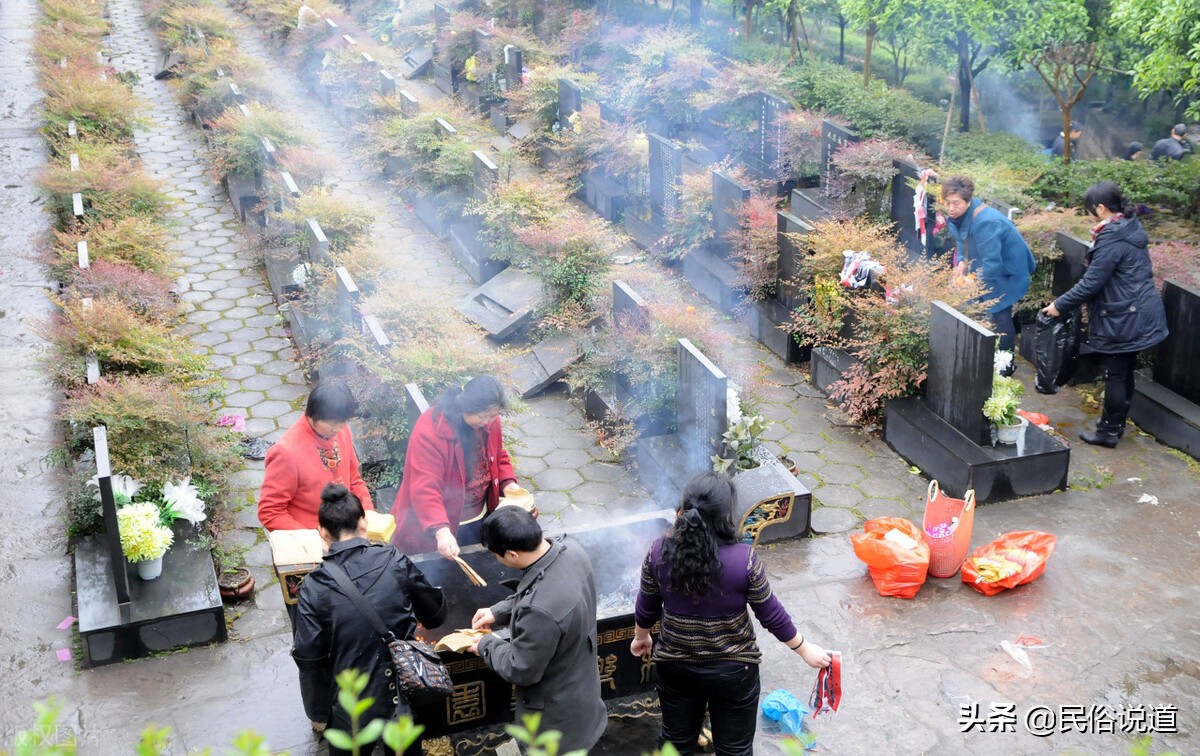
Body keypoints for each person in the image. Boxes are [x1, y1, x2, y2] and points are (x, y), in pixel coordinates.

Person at [630, 472, 831, 756]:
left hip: (676, 667)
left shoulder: (659, 551)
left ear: (683, 509)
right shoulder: (743, 560)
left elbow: (647, 603)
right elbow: (770, 612)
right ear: (726, 515)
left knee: (676, 745)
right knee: (734, 750)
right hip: (734, 672)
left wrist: (642, 637)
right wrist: (805, 649)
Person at [291, 483, 447, 756]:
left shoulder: (314, 586)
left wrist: (317, 712)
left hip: (350, 706)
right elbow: (435, 616)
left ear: (323, 533)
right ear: (364, 523)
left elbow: (308, 656)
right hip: (402, 694)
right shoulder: (394, 559)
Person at [467, 507, 607, 752]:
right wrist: (498, 611)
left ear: (511, 554)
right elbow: (543, 588)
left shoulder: (539, 611)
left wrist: (485, 644)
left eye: (495, 554)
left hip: (555, 719)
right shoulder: (571, 549)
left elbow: (520, 668)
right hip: (583, 687)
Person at [1041, 182, 1168, 447]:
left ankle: (1108, 432)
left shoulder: (1113, 237)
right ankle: (1114, 427)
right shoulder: (1129, 226)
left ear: (1100, 208)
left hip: (1125, 316)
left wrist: (1059, 305)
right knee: (1124, 371)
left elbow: (1091, 283)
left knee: (1118, 374)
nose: (1088, 215)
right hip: (1138, 310)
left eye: (1090, 210)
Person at [391, 376, 521, 558]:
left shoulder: (490, 422)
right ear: (465, 406)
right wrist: (441, 530)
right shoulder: (431, 430)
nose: (488, 422)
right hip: (439, 522)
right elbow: (425, 488)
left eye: (493, 416)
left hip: (479, 515)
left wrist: (508, 483)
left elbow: (498, 455)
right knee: (438, 572)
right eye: (483, 416)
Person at [941, 174, 1037, 363]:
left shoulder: (986, 221)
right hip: (985, 264)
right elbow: (962, 241)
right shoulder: (960, 216)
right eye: (947, 203)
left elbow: (992, 263)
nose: (951, 208)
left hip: (1009, 270)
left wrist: (973, 282)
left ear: (968, 201)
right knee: (973, 306)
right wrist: (961, 261)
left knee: (999, 312)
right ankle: (978, 355)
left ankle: (1004, 364)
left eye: (956, 203)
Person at [259, 379, 374, 531]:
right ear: (312, 415)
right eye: (332, 423)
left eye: (344, 421)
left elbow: (354, 478)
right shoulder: (286, 452)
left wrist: (368, 512)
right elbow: (270, 512)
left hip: (345, 530)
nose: (339, 428)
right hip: (310, 537)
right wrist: (311, 540)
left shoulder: (342, 430)